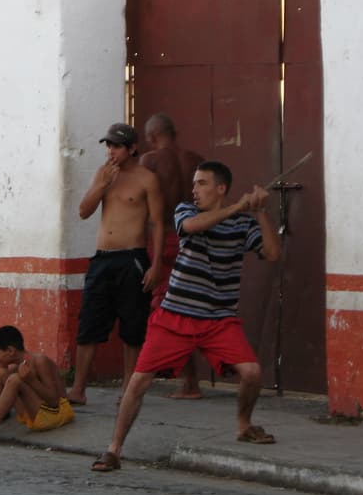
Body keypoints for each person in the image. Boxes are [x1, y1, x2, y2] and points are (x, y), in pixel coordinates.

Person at [91, 161, 281, 472]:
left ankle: (244, 425)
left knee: (252, 373)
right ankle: (113, 449)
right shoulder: (185, 211)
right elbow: (192, 229)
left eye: (202, 183)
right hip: (175, 316)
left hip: (219, 319)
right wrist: (237, 206)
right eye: (194, 183)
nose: (194, 190)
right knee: (138, 382)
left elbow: (272, 254)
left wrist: (259, 212)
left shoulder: (242, 224)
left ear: (220, 188)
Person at [66, 123, 164, 406]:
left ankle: (128, 390)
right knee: (89, 324)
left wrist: (156, 265)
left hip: (132, 257)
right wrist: (101, 184)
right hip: (102, 258)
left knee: (132, 327)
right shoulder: (104, 174)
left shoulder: (148, 179)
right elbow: (84, 211)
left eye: (117, 146)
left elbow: (157, 224)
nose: (111, 152)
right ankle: (78, 389)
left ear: (132, 148)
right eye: (108, 146)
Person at [141, 113, 206, 399]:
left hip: (165, 238)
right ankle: (192, 379)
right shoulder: (197, 161)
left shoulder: (151, 162)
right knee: (196, 304)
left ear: (153, 136)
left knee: (167, 309)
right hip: (195, 238)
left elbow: (148, 211)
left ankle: (188, 381)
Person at [0, 326, 74, 446]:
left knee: (14, 379)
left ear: (10, 351)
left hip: (55, 415)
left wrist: (31, 380)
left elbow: (54, 401)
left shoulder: (39, 361)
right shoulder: (14, 367)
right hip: (34, 415)